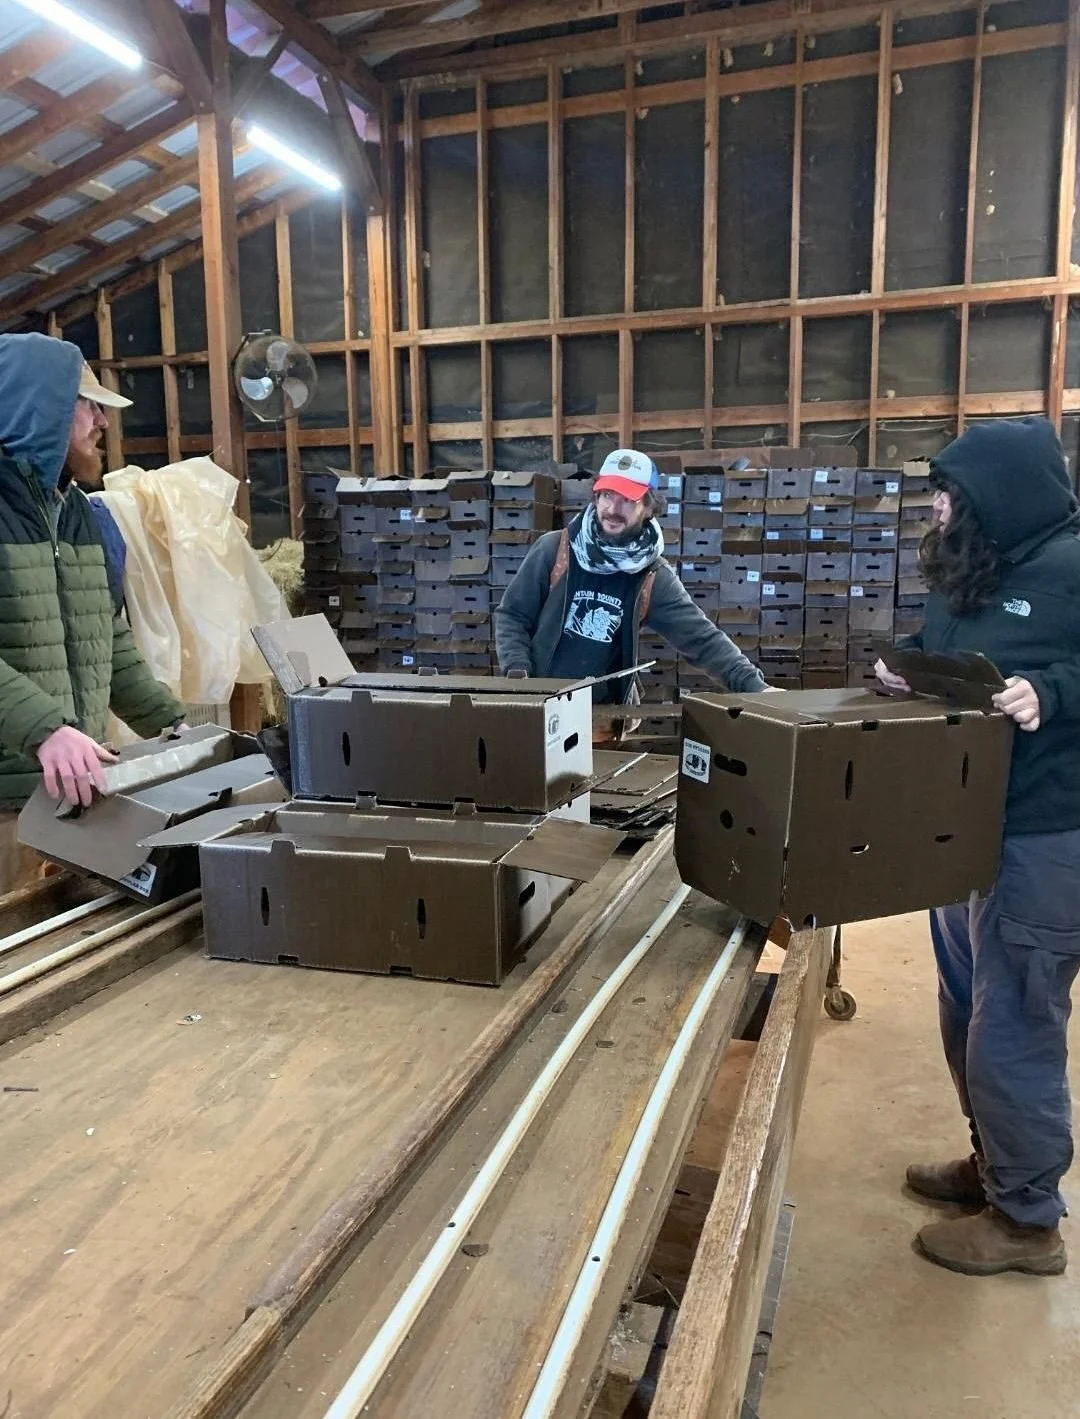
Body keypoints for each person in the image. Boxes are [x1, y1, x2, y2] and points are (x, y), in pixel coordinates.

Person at [875, 417, 1080, 1277]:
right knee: (963, 1005)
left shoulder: (1072, 567)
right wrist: (911, 668)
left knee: (1014, 1023)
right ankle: (993, 1162)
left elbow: (1053, 676)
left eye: (950, 493)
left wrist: (1054, 692)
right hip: (964, 824)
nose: (937, 506)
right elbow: (956, 657)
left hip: (1045, 833)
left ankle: (1028, 1220)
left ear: (1001, 493)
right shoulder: (975, 562)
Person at [0, 333, 185, 892]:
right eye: (86, 404)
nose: (103, 421)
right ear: (40, 407)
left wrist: (170, 725)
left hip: (65, 793)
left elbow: (104, 634)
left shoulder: (77, 511)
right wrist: (45, 729)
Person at [494, 448, 770, 709]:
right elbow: (512, 615)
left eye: (627, 499)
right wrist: (518, 672)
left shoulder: (651, 576)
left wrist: (757, 687)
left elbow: (702, 639)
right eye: (607, 495)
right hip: (540, 703)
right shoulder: (555, 550)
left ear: (648, 508)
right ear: (596, 497)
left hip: (602, 715)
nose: (613, 509)